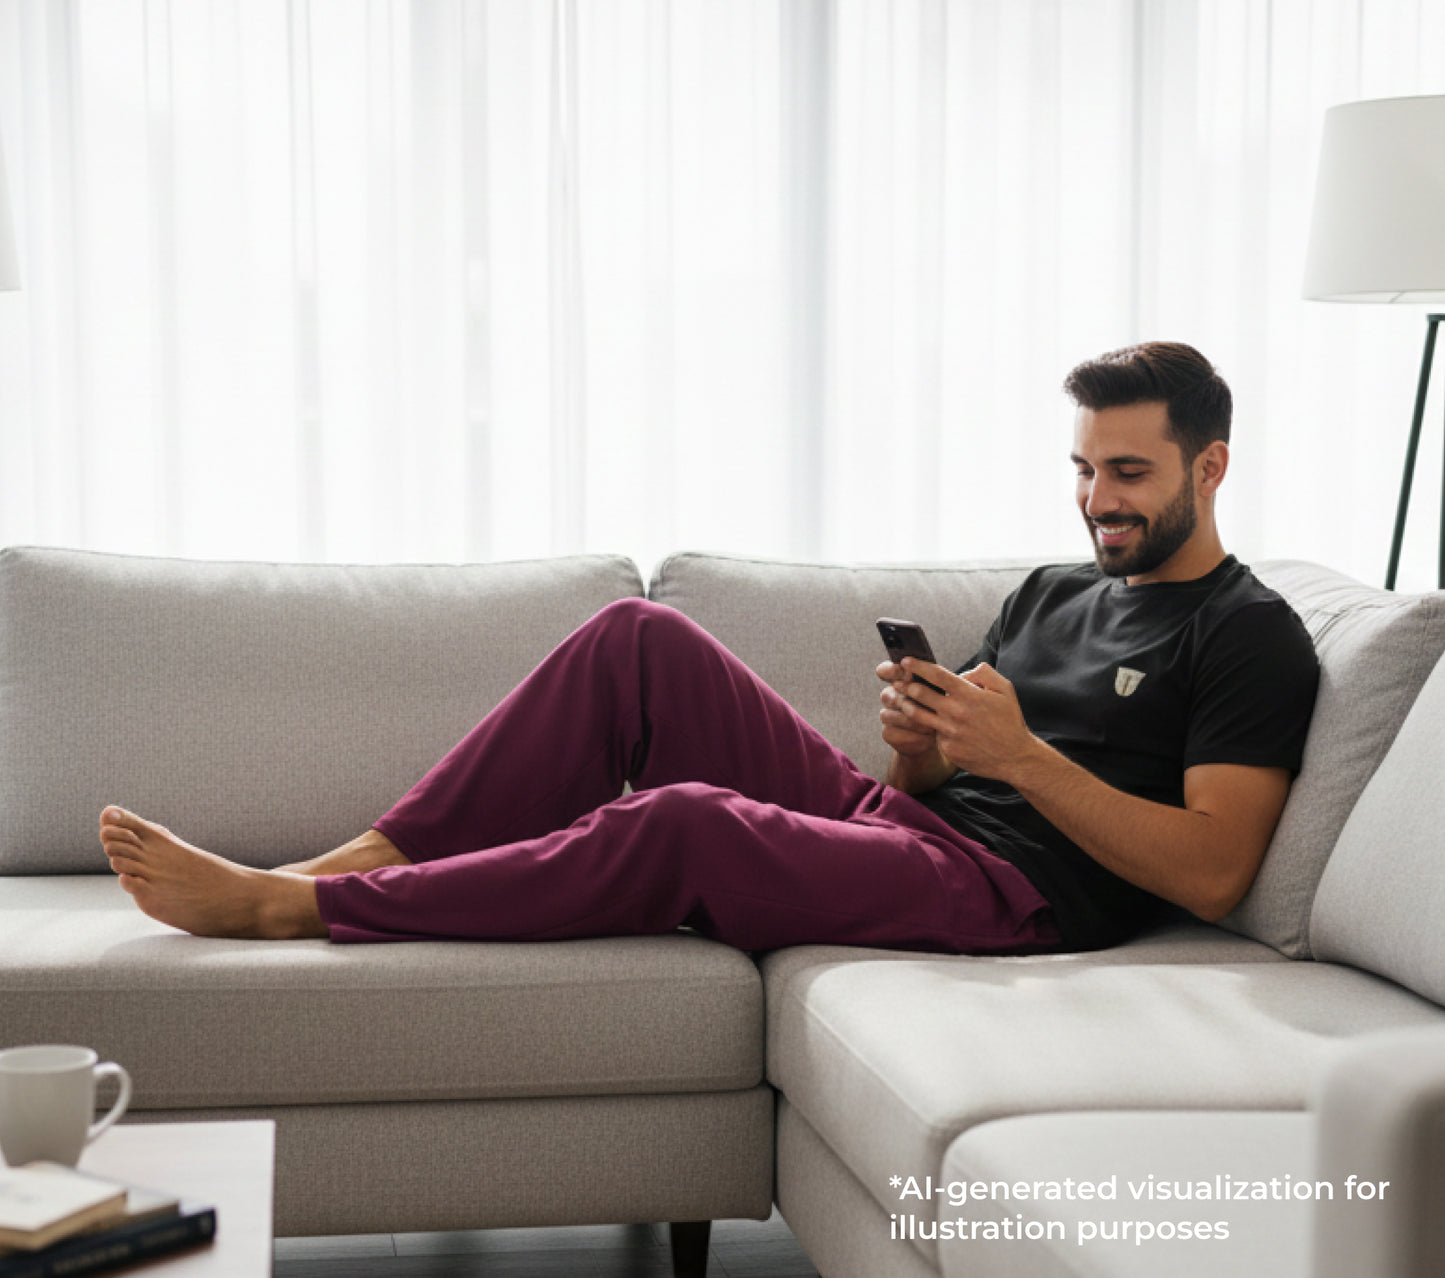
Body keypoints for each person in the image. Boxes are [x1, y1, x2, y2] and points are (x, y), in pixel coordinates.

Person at [98, 341, 1319, 954]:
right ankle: (354, 856)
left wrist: (1020, 758)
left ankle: (299, 912)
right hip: (917, 829)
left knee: (679, 820)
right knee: (641, 636)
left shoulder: (1246, 632)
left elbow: (1212, 872)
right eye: (1080, 470)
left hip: (1012, 895)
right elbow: (922, 790)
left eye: (1126, 475)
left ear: (1208, 467)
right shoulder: (1052, 587)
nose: (1095, 501)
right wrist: (926, 750)